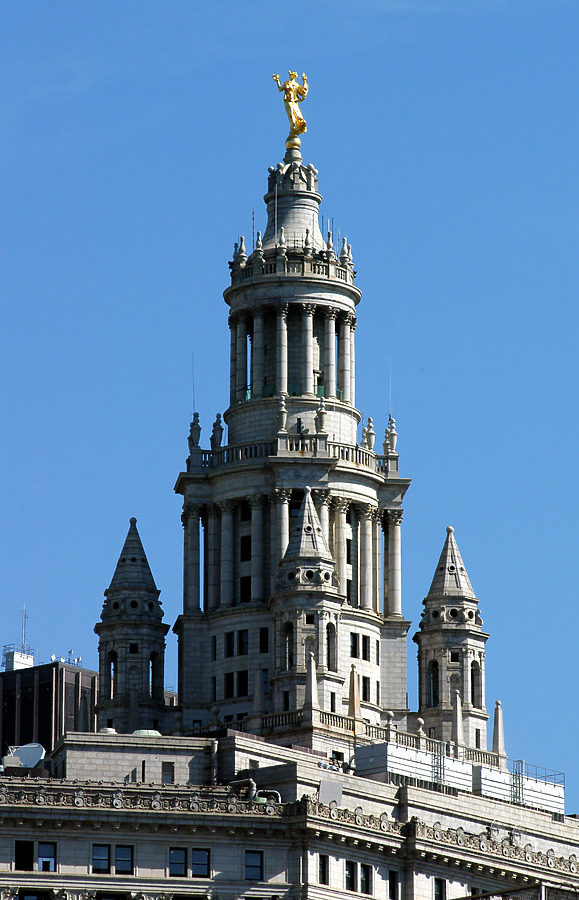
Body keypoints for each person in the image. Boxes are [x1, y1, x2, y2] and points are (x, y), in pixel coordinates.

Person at [273, 71, 308, 143]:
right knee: (291, 114)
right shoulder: (287, 83)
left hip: (294, 102)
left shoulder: (297, 85)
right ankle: (293, 128)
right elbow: (280, 89)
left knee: (297, 115)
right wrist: (277, 81)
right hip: (288, 101)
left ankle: (294, 128)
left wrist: (304, 81)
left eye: (291, 75)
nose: (290, 76)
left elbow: (303, 92)